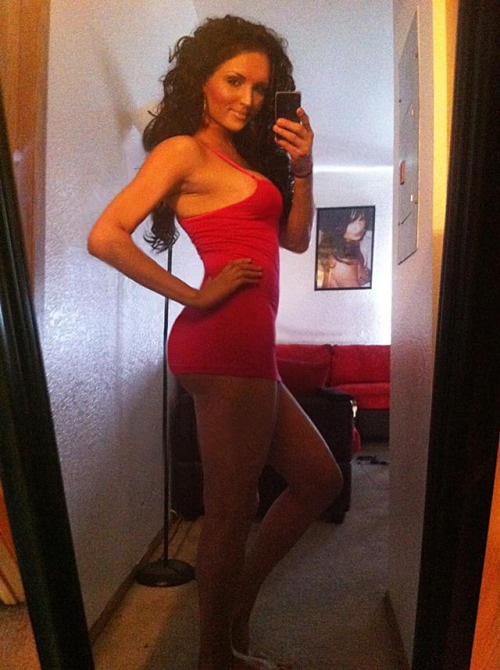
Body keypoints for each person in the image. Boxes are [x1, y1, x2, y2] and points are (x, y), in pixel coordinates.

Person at [88, 15, 342, 670]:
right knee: (232, 511)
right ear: (201, 79)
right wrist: (195, 295)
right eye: (234, 80)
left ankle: (237, 605)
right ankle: (215, 656)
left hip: (249, 350)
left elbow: (294, 240)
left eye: (259, 87)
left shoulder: (243, 158)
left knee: (319, 479)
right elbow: (106, 236)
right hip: (224, 344)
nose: (248, 99)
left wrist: (304, 169)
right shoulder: (183, 150)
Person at [317, 209, 371, 289]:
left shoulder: (351, 242)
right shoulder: (341, 261)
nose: (358, 227)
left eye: (361, 219)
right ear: (337, 224)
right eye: (351, 222)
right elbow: (357, 294)